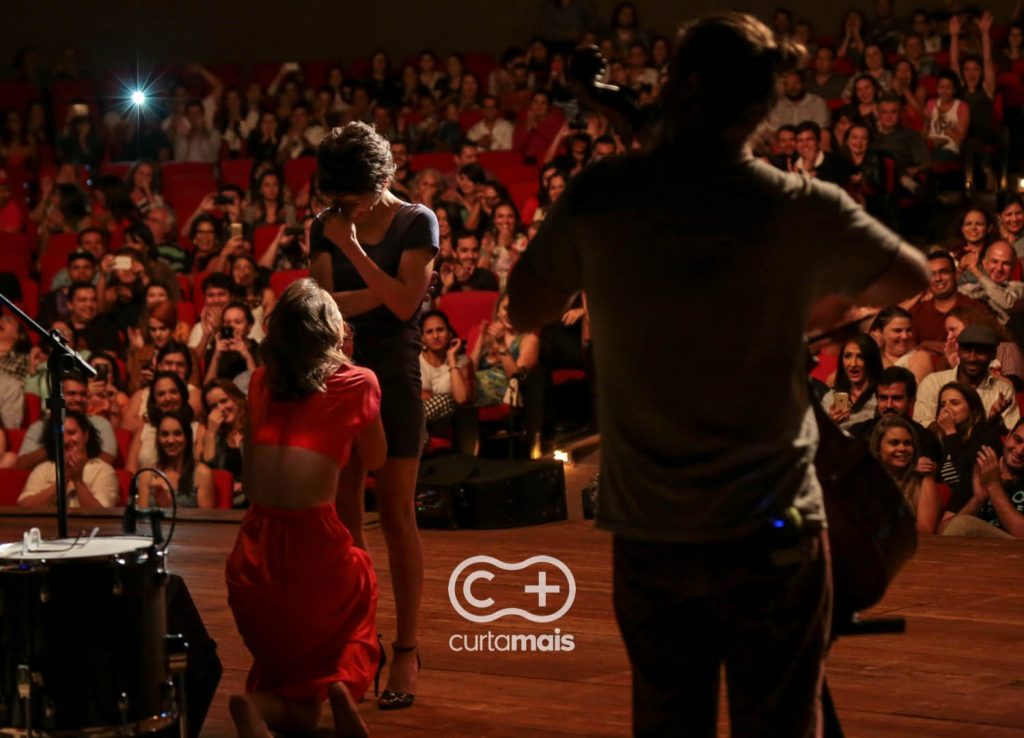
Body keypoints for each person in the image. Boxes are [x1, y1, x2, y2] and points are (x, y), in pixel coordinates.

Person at [507, 13, 929, 736]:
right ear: (763, 108)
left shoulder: (605, 195)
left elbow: (525, 307)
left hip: (653, 530)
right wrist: (802, 315)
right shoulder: (798, 204)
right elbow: (908, 275)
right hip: (776, 529)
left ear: (678, 85)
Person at [309, 121, 438, 710]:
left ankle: (407, 650)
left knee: (396, 516)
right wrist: (381, 290)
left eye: (352, 199)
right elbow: (324, 309)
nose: (342, 210)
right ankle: (360, 641)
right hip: (341, 376)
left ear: (380, 179)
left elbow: (408, 303)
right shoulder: (323, 224)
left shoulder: (418, 221)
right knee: (344, 518)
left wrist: (356, 250)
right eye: (336, 200)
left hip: (396, 378)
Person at [226, 279, 385, 738]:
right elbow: (374, 459)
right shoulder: (357, 382)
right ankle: (341, 687)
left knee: (287, 673)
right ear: (330, 335)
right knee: (361, 584)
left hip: (251, 557)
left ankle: (262, 707)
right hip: (313, 549)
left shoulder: (259, 381)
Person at [18, 410, 118, 509]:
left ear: (86, 435)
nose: (65, 440)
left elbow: (102, 515)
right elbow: (24, 508)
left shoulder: (103, 470)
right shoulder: (42, 469)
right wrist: (64, 479)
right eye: (60, 435)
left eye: (71, 433)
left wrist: (77, 481)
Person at [944, 417, 1024, 538]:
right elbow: (942, 531)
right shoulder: (980, 472)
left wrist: (993, 485)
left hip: (1015, 552)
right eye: (1017, 440)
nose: (1019, 451)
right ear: (1008, 437)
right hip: (970, 553)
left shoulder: (990, 478)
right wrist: (977, 499)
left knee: (962, 525)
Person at [868, 414, 943, 533]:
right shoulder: (865, 482)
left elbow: (926, 531)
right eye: (894, 443)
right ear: (878, 448)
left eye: (907, 443)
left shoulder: (923, 483)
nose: (902, 448)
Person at [136, 411, 215, 509]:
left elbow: (206, 521)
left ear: (187, 437)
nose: (171, 440)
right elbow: (142, 521)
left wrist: (169, 506)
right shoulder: (147, 475)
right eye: (164, 434)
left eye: (177, 434)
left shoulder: (202, 474)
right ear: (158, 439)